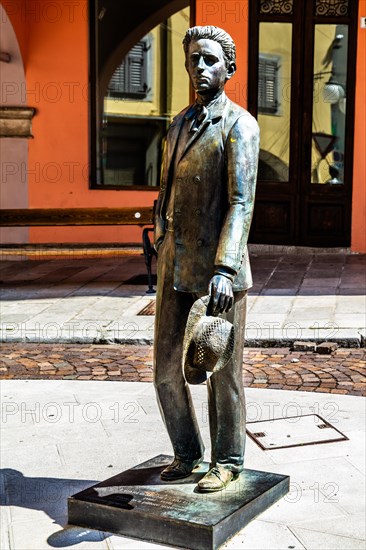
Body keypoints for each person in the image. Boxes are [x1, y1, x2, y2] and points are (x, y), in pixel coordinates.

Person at [153, 25, 259, 492]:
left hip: (219, 269)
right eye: (194, 58)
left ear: (229, 68)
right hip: (173, 262)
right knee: (163, 370)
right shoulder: (176, 124)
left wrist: (225, 268)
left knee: (221, 371)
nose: (200, 67)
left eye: (210, 59)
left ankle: (229, 458)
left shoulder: (241, 125)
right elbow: (165, 192)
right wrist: (159, 242)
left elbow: (241, 202)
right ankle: (187, 452)